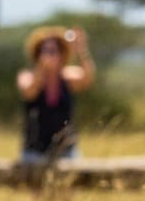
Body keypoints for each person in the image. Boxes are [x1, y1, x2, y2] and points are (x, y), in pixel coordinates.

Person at [16, 25, 96, 163]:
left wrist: (80, 49)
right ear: (37, 53)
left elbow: (87, 78)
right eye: (45, 50)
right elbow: (29, 92)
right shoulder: (27, 75)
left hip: (67, 150)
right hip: (34, 151)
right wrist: (42, 68)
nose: (50, 54)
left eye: (54, 50)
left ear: (62, 53)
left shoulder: (67, 76)